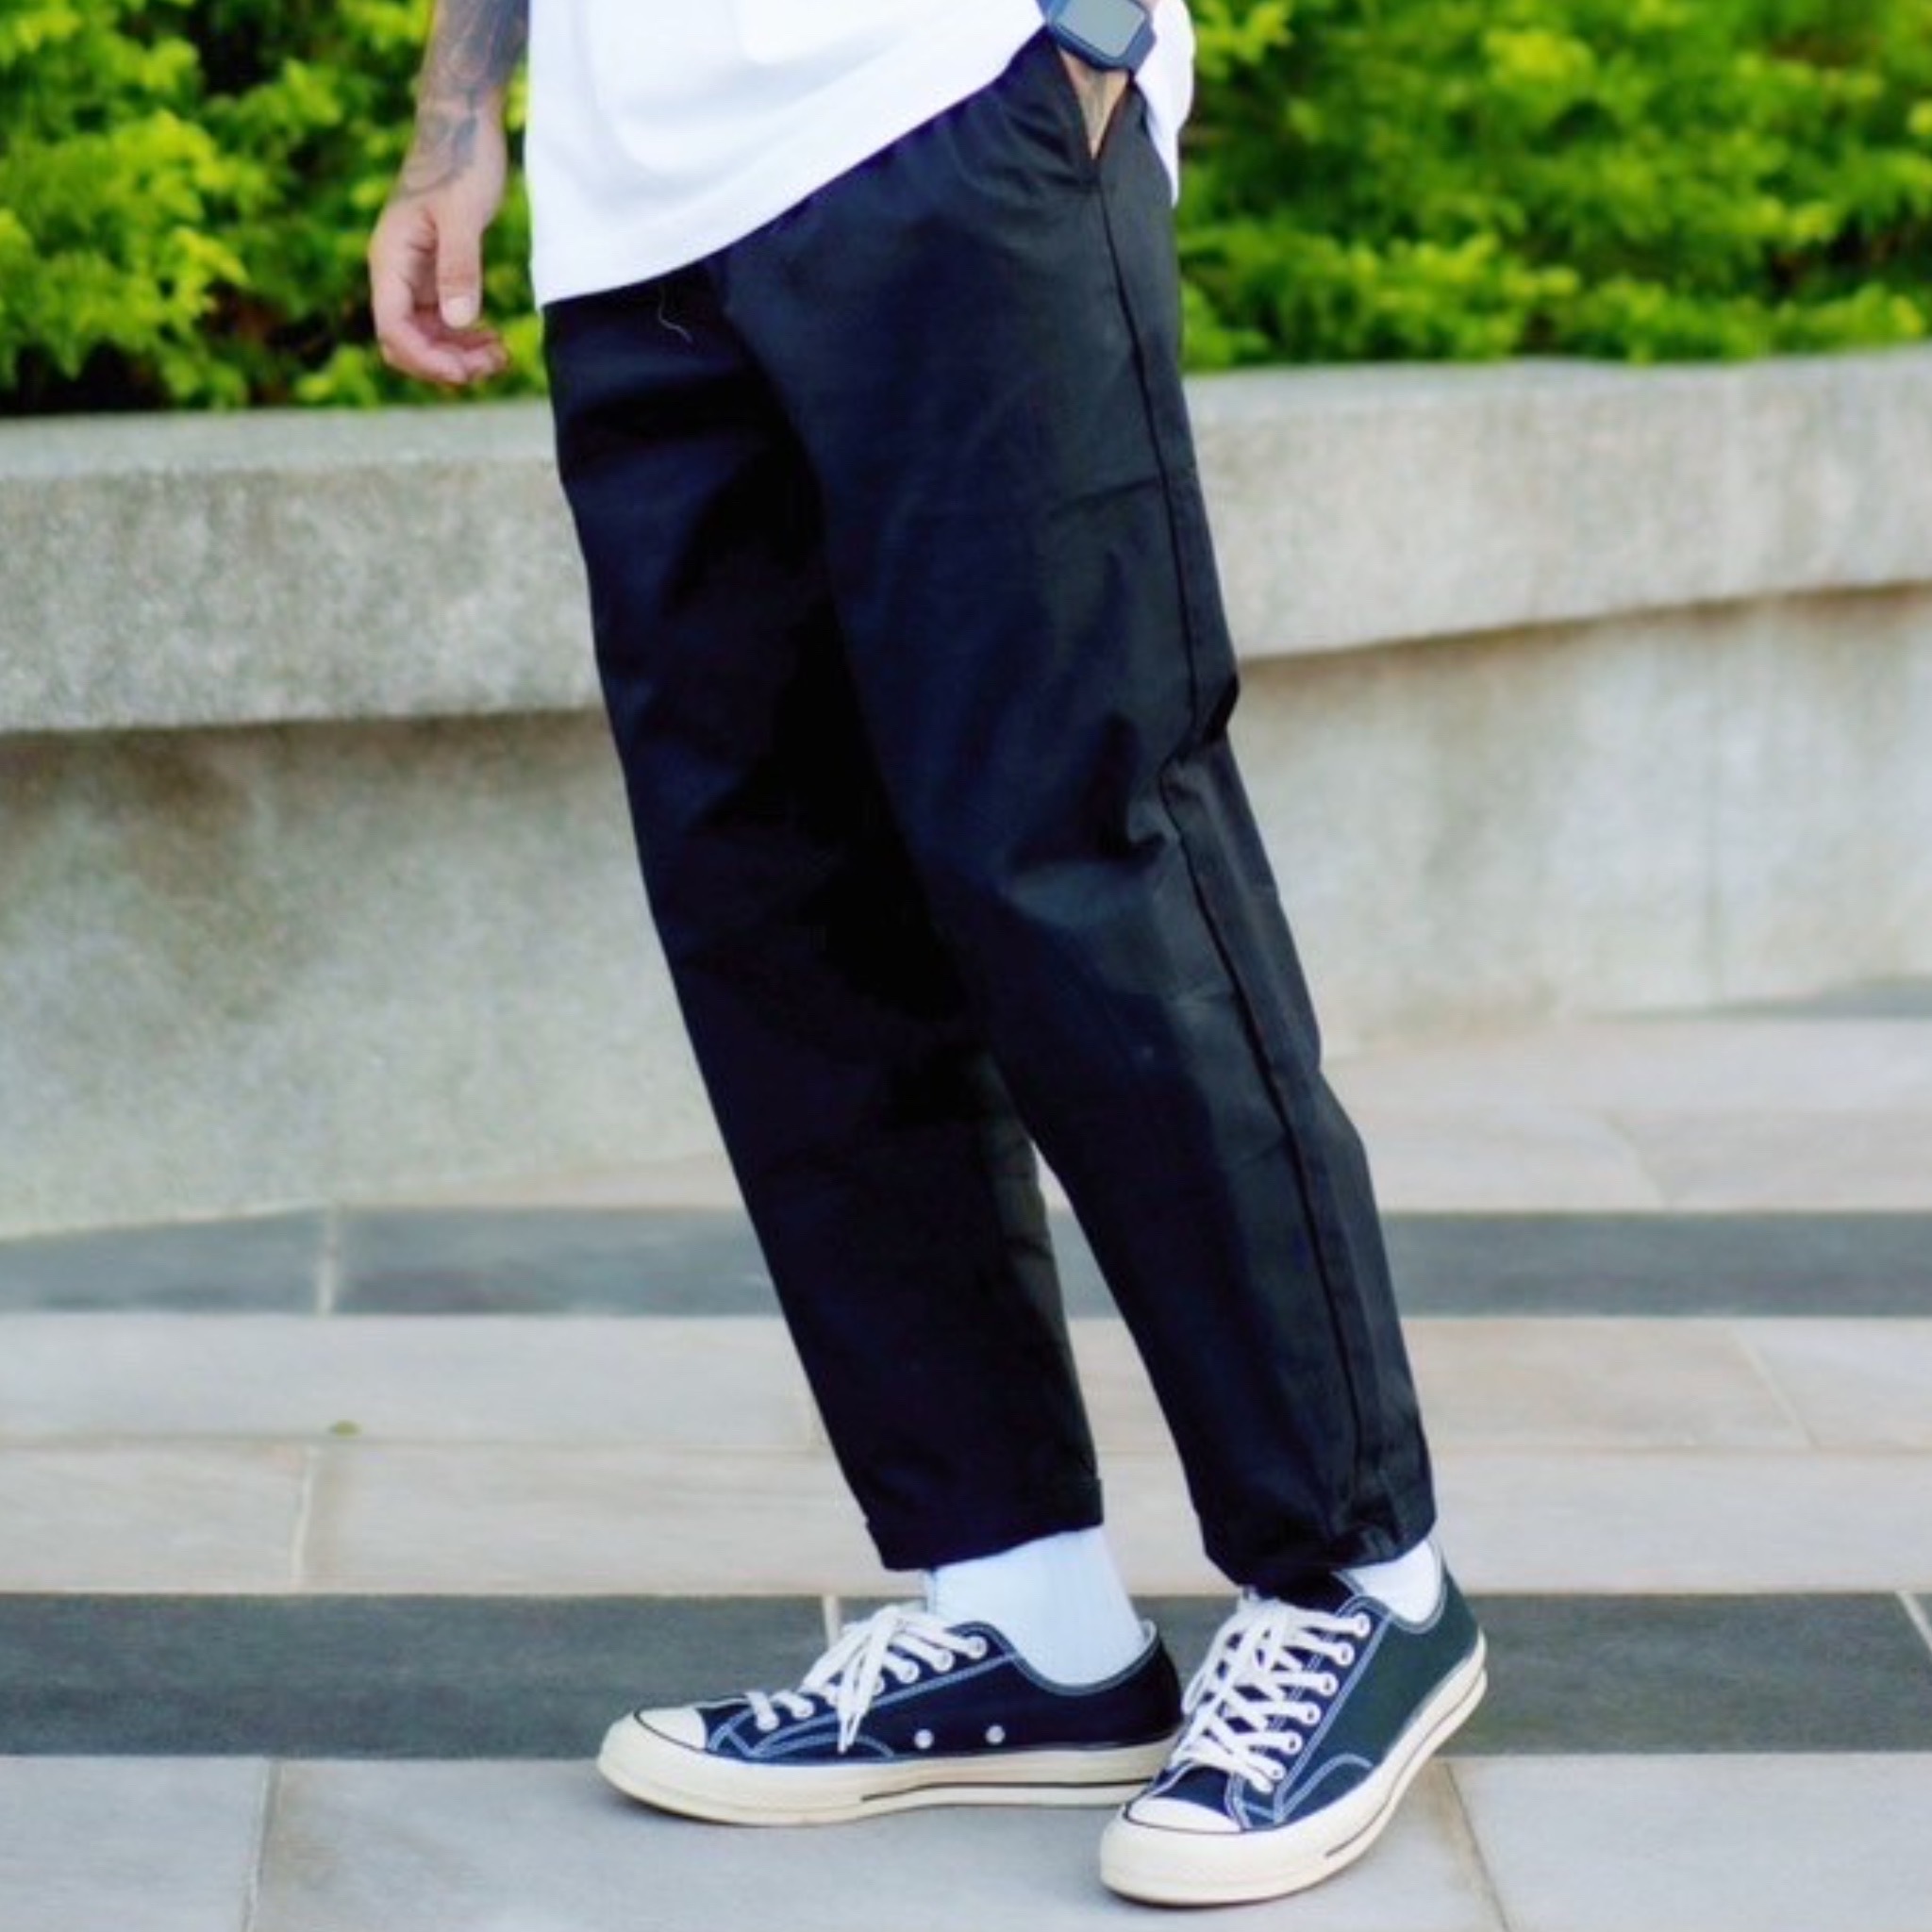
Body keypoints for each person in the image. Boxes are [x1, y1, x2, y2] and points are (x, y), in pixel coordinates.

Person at [369, 0, 1485, 1907]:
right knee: (784, 922)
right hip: (639, 224)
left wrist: (1087, 28)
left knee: (1083, 862)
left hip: (945, 100)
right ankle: (1025, 1614)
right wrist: (454, 123)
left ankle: (1360, 1578)